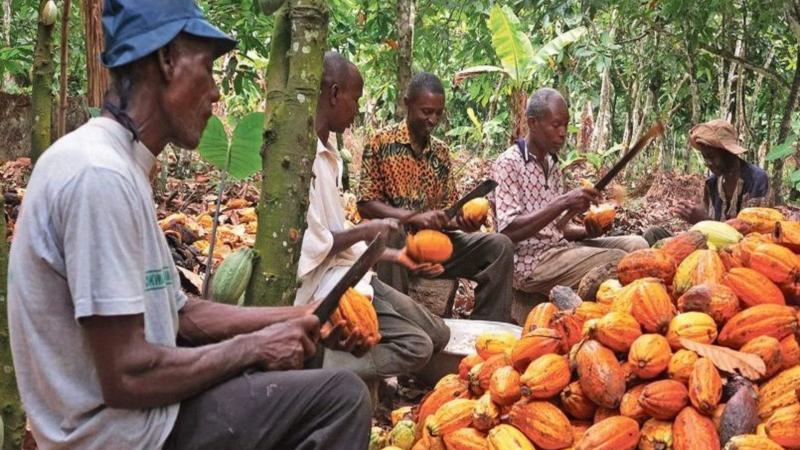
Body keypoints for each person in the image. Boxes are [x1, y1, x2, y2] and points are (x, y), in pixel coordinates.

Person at [7, 2, 371, 449]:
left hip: (146, 419)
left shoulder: (119, 165)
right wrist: (255, 347)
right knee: (342, 399)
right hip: (122, 436)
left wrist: (299, 316)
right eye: (208, 69)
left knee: (305, 379)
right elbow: (127, 374)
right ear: (166, 60)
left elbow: (180, 315)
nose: (216, 93)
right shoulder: (97, 175)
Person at [294, 53, 450, 381]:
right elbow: (314, 245)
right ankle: (319, 367)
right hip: (327, 286)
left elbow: (336, 234)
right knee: (417, 347)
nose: (358, 109)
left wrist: (400, 256)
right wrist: (371, 229)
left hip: (353, 272)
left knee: (439, 335)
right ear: (335, 94)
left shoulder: (330, 156)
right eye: (356, 98)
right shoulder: (301, 159)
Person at [357, 72, 514, 323]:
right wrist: (413, 217)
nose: (433, 120)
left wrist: (460, 221)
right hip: (396, 247)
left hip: (431, 245)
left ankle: (488, 327)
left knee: (500, 245)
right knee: (393, 232)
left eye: (438, 113)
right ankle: (397, 326)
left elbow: (445, 212)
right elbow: (365, 204)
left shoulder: (440, 152)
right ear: (407, 103)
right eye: (426, 111)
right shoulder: (380, 142)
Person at [492, 87, 649, 301]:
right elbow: (508, 230)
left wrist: (586, 230)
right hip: (531, 263)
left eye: (565, 125)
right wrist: (563, 201)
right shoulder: (509, 164)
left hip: (559, 250)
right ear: (532, 123)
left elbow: (557, 229)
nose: (563, 133)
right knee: (619, 260)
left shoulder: (552, 164)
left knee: (637, 246)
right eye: (556, 125)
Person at [672, 119, 769, 224]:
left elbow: (754, 230)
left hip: (751, 240)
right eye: (705, 157)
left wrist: (704, 220)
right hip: (712, 240)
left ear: (728, 153)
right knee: (654, 232)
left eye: (712, 156)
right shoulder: (711, 184)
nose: (708, 163)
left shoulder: (757, 180)